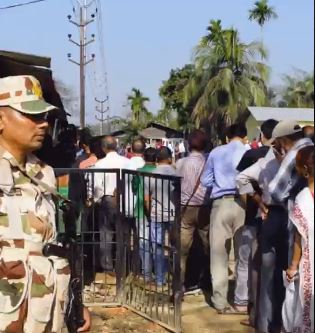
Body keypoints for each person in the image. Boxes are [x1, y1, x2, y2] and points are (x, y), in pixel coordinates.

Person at [0, 75, 90, 333]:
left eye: (44, 117)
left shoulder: (43, 173)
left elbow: (50, 248)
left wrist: (74, 304)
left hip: (47, 315)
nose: (42, 124)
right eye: (32, 115)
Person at [235, 119, 279, 326]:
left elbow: (240, 179)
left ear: (262, 135)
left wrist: (257, 200)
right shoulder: (286, 157)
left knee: (254, 264)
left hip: (257, 215)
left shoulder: (254, 155)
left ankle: (252, 311)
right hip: (276, 216)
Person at [201, 123, 248, 314]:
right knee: (242, 255)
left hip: (220, 203)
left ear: (227, 137)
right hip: (244, 203)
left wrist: (220, 182)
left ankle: (220, 302)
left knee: (219, 255)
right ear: (245, 137)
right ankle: (242, 301)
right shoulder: (249, 151)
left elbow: (206, 180)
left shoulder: (216, 152)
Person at [176, 130, 211, 289]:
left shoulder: (181, 163)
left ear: (189, 144)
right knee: (207, 246)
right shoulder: (209, 161)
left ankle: (180, 284)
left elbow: (175, 186)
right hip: (205, 207)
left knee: (182, 250)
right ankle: (206, 280)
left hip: (186, 208)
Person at [284, 146, 314, 333]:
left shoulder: (303, 199)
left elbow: (298, 237)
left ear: (304, 169)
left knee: (307, 310)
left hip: (310, 264)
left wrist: (293, 266)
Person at [93, 136, 130, 271]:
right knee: (122, 235)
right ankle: (123, 266)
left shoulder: (100, 164)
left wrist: (96, 201)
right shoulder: (127, 162)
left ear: (103, 148)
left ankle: (107, 267)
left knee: (106, 235)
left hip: (107, 199)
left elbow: (98, 187)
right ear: (116, 146)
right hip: (124, 198)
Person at [145, 147, 176, 286]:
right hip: (173, 214)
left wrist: (149, 212)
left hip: (156, 214)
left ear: (157, 159)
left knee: (157, 246)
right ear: (170, 158)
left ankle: (159, 279)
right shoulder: (176, 173)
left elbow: (147, 199)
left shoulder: (151, 175)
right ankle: (175, 277)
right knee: (175, 246)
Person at [133, 148, 157, 280]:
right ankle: (157, 271)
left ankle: (146, 272)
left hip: (141, 209)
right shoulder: (158, 172)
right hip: (157, 210)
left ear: (143, 157)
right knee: (156, 241)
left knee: (143, 241)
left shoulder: (138, 172)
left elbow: (134, 188)